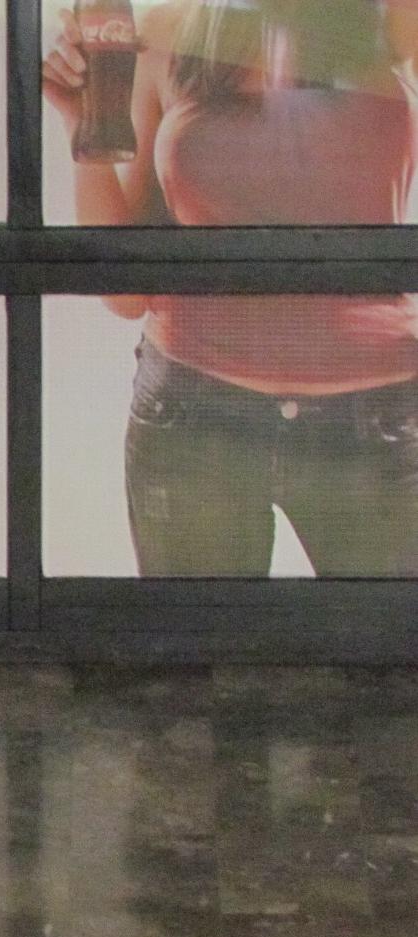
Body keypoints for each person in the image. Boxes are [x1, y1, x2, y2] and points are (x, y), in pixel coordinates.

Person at [43, 0, 418, 576]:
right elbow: (126, 293)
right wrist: (81, 123)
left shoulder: (392, 16)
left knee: (390, 639)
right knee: (197, 638)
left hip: (375, 420)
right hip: (194, 419)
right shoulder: (167, 32)